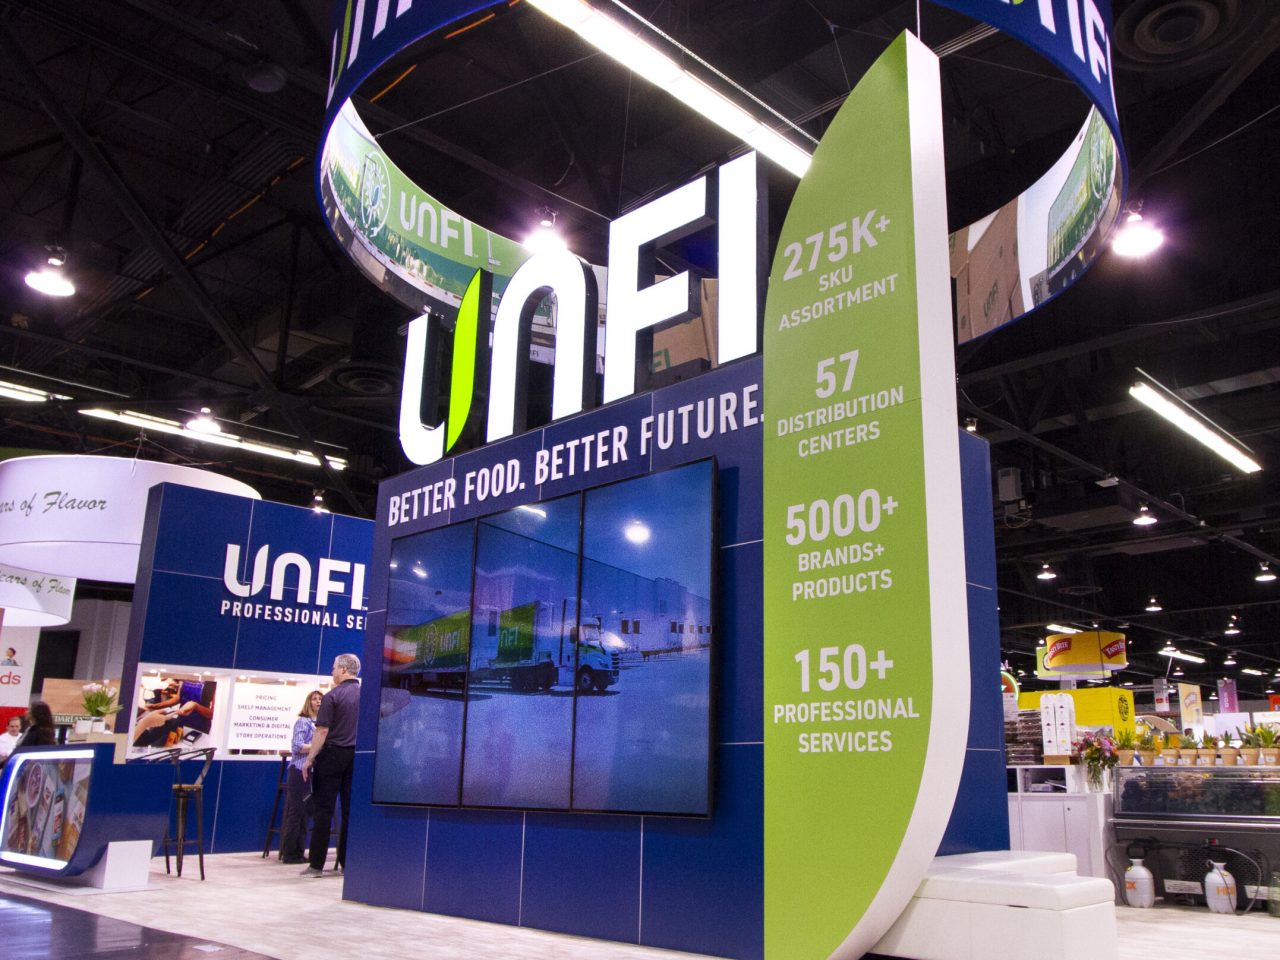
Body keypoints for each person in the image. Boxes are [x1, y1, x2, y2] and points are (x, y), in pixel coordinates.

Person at [300, 654, 360, 877]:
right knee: (349, 811)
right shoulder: (366, 695)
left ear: (344, 670)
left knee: (323, 810)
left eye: (334, 668)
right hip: (356, 758)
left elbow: (322, 731)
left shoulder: (332, 696)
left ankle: (316, 865)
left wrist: (309, 759)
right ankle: (347, 864)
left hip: (331, 756)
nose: (332, 671)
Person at [280, 689, 322, 864]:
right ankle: (289, 853)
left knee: (306, 813)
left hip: (313, 772)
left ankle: (299, 851)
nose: (318, 702)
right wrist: (316, 745)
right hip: (299, 770)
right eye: (315, 699)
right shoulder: (303, 722)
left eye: (321, 699)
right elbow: (297, 746)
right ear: (308, 702)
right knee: (296, 811)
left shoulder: (322, 724)